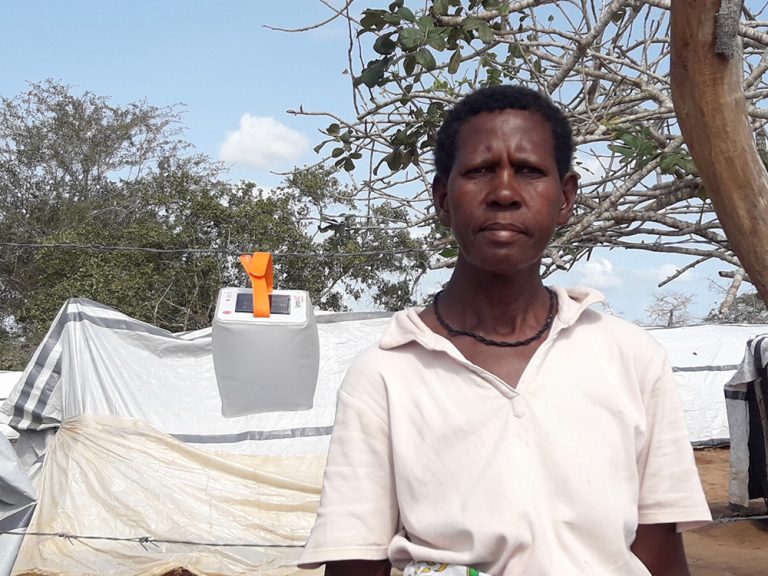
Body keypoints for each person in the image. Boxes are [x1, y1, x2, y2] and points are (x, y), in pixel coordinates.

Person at [298, 85, 711, 576]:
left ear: (566, 197)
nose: (505, 194)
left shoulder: (629, 356)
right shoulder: (386, 375)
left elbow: (659, 549)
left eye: (531, 171)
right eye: (479, 171)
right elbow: (355, 558)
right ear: (443, 198)